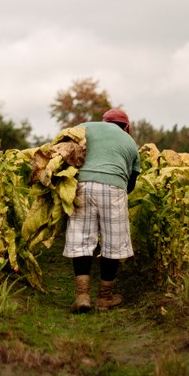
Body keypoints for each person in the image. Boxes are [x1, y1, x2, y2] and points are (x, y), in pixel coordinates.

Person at [63, 107, 142, 312]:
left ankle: (82, 296)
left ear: (104, 121)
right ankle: (104, 298)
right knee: (113, 242)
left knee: (81, 238)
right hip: (114, 186)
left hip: (81, 185)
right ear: (126, 126)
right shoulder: (130, 143)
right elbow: (130, 184)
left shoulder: (84, 128)